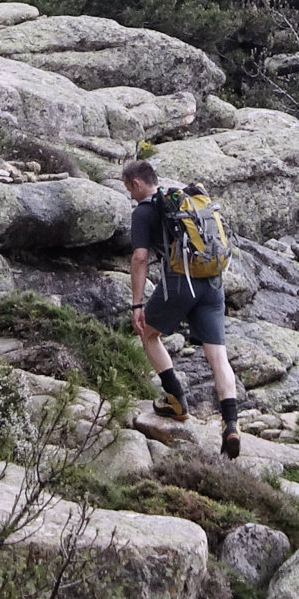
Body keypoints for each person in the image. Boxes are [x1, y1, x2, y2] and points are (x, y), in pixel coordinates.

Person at [123, 158, 243, 458]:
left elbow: (140, 258)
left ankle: (175, 399)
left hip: (180, 283)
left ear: (136, 183)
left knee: (148, 333)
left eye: (129, 189)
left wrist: (137, 304)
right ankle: (231, 424)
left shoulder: (144, 212)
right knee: (218, 355)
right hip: (212, 282)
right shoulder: (181, 200)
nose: (130, 195)